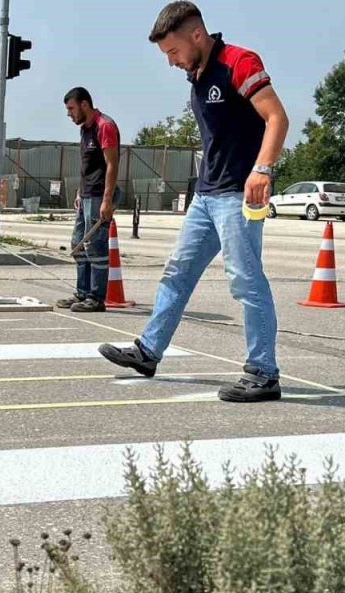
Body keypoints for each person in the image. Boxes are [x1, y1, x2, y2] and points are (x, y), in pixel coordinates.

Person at [98, 1, 290, 403]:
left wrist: (263, 170)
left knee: (246, 282)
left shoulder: (238, 61)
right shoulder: (197, 73)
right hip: (206, 196)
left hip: (238, 194)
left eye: (173, 51)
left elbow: (277, 118)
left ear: (197, 35)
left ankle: (264, 373)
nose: (170, 62)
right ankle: (148, 352)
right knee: (176, 273)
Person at [58, 87, 121, 313]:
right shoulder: (85, 129)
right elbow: (88, 166)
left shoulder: (105, 126)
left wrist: (107, 200)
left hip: (98, 195)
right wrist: (78, 191)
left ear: (84, 104)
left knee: (95, 246)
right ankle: (82, 292)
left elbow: (111, 165)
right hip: (85, 194)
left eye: (71, 108)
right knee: (78, 244)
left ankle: (96, 297)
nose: (69, 114)